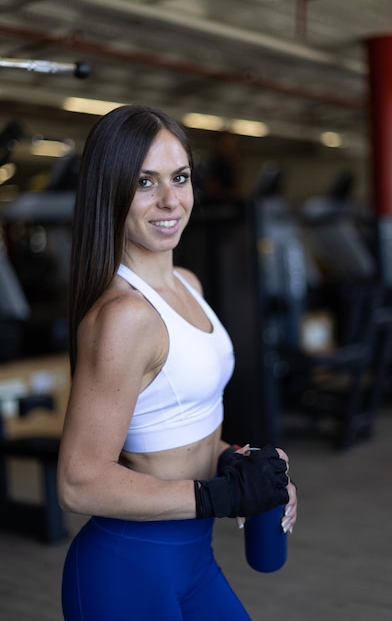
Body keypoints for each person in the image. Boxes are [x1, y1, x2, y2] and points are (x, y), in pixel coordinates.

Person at [57, 104, 297, 621]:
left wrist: (238, 460)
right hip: (126, 568)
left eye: (180, 177)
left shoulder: (188, 284)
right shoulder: (123, 316)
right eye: (145, 182)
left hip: (193, 559)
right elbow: (78, 481)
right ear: (111, 192)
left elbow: (176, 420)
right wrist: (219, 495)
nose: (170, 200)